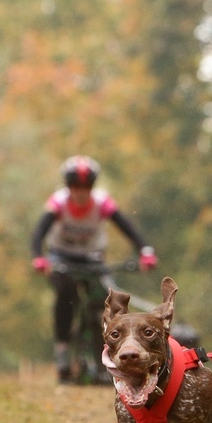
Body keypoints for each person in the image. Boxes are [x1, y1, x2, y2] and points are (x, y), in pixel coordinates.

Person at [30, 155, 158, 383]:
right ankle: (62, 352)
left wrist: (145, 250)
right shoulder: (58, 203)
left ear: (92, 187)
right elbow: (39, 232)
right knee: (66, 294)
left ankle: (107, 354)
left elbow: (127, 226)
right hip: (63, 258)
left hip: (93, 258)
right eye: (75, 186)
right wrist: (38, 257)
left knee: (105, 301)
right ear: (68, 187)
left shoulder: (101, 203)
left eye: (86, 186)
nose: (81, 192)